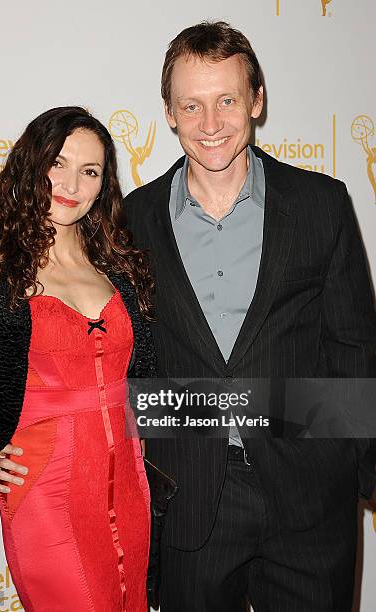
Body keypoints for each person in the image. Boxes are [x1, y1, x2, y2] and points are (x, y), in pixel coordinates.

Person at [124, 21, 376, 612]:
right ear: (169, 112)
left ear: (256, 101)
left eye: (227, 101)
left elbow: (353, 348)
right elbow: (127, 359)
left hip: (310, 493)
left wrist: (359, 468)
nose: (210, 125)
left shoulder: (322, 203)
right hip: (191, 499)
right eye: (192, 105)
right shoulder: (131, 220)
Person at [0, 106, 157, 612]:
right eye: (58, 163)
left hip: (129, 487)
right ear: (30, 165)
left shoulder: (119, 267)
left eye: (90, 171)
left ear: (104, 185)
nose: (71, 183)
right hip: (46, 497)